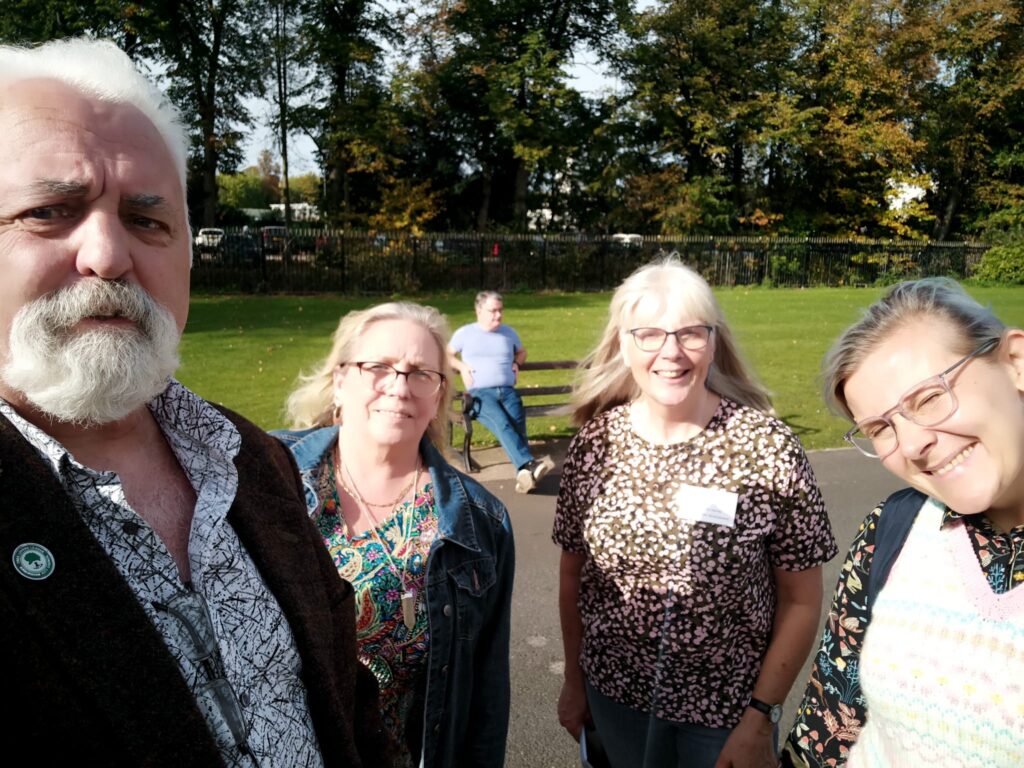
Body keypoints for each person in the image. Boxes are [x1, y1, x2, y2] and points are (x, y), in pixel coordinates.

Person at [0, 38, 383, 766]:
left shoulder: (253, 459)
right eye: (50, 210)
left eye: (147, 220)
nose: (109, 256)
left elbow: (346, 704)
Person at [553, 257, 837, 768]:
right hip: (616, 698)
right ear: (623, 343)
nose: (672, 353)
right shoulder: (596, 444)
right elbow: (574, 577)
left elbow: (802, 600)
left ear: (713, 340)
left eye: (690, 334)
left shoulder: (766, 446)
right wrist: (575, 684)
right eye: (650, 335)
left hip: (726, 712)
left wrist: (760, 718)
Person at [782, 278, 1024, 767]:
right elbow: (828, 728)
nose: (912, 444)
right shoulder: (895, 528)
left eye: (929, 397)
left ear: (1015, 362)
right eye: (881, 428)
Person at [275, 301, 515, 768]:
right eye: (378, 367)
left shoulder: (481, 522)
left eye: (421, 373)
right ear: (340, 380)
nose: (400, 387)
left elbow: (486, 696)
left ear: (439, 397)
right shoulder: (266, 476)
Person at [449, 290, 554, 493]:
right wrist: (461, 367)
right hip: (479, 395)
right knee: (503, 424)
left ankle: (524, 475)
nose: (498, 315)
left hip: (507, 391)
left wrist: (517, 362)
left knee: (517, 428)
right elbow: (447, 355)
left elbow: (522, 351)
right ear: (479, 310)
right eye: (493, 311)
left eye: (500, 310)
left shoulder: (508, 333)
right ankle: (530, 464)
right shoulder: (465, 333)